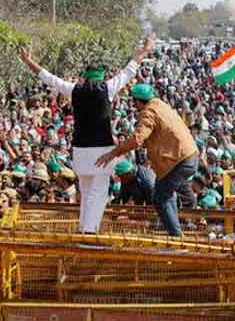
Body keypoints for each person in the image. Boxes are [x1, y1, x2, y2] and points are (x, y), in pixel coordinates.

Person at [19, 35, 155, 233]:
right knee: (98, 194)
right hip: (102, 151)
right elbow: (130, 69)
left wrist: (28, 60)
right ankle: (90, 232)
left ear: (86, 75)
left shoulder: (74, 89)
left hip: (80, 152)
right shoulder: (107, 88)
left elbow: (49, 77)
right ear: (102, 75)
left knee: (86, 192)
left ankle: (84, 228)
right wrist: (145, 50)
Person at [95, 84, 199, 236]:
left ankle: (176, 236)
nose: (134, 105)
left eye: (134, 102)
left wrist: (113, 153)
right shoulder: (161, 105)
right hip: (189, 156)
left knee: (160, 197)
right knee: (166, 194)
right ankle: (176, 231)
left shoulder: (148, 112)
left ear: (138, 101)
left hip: (177, 160)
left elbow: (137, 139)